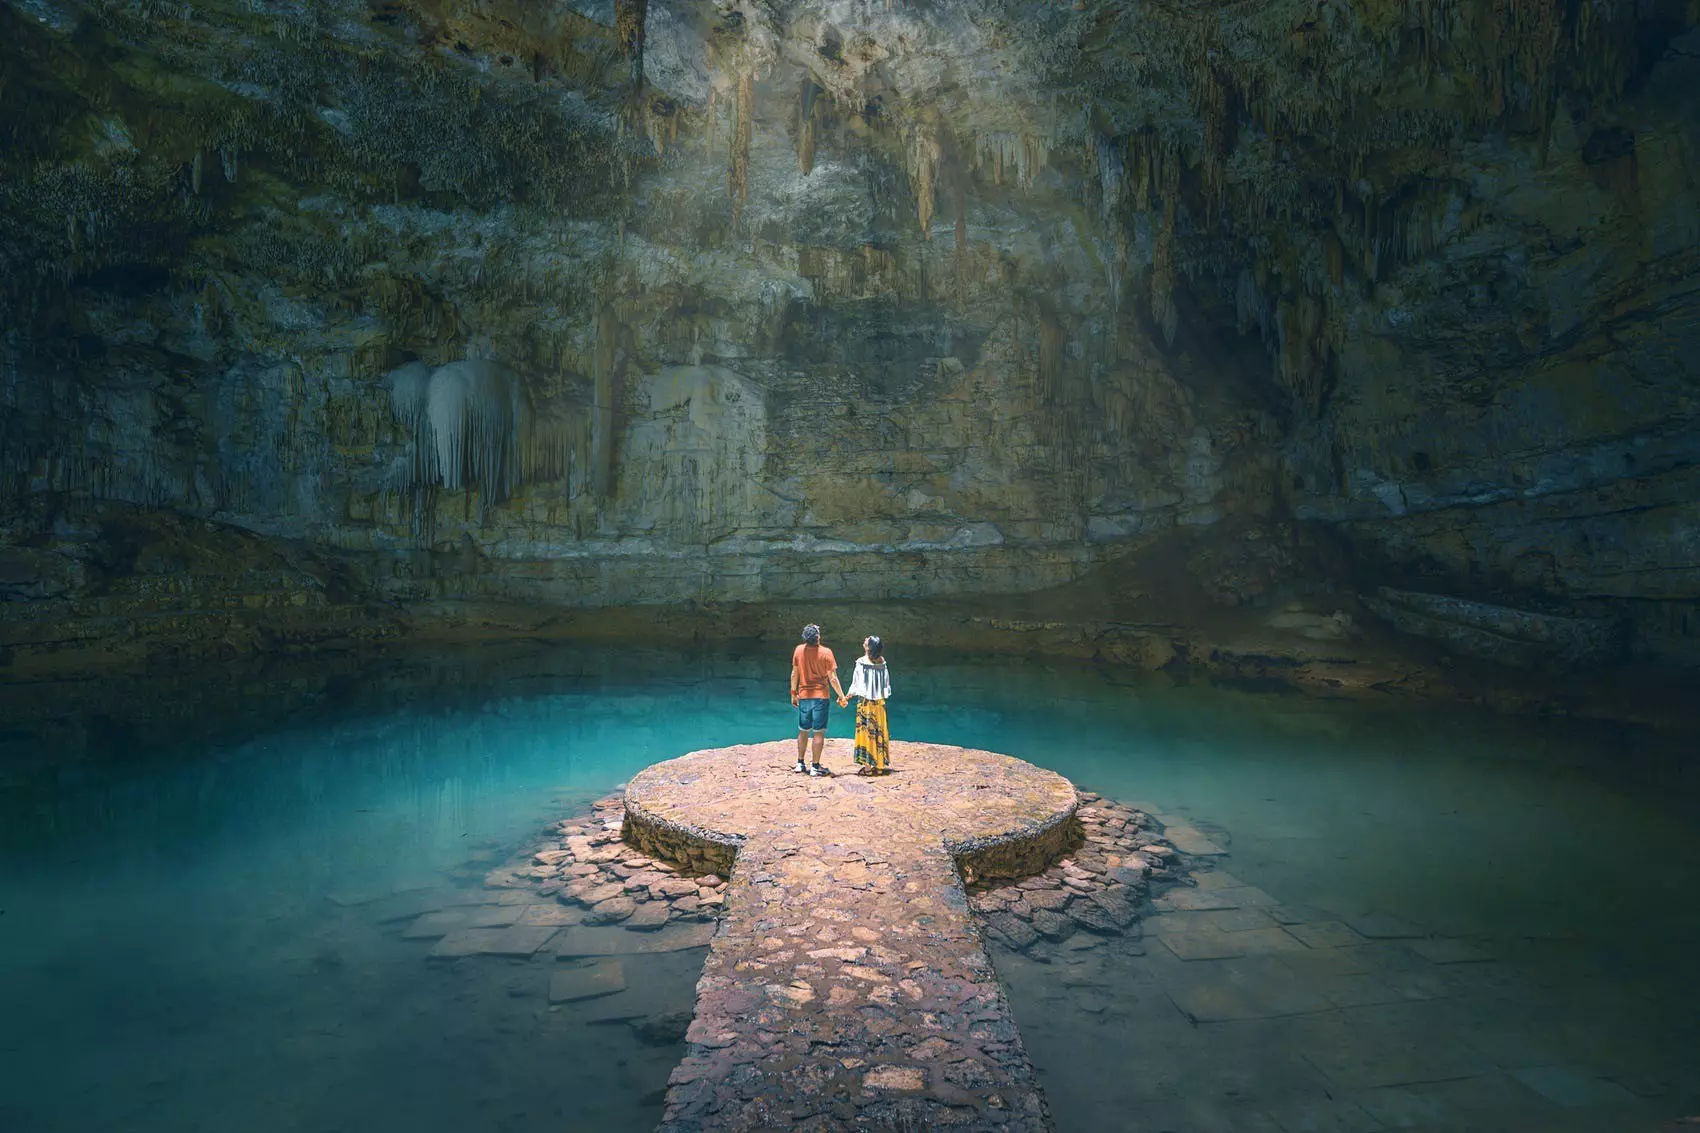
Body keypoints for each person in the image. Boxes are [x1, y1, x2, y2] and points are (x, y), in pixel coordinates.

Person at [789, 623, 846, 777]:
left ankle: (800, 763)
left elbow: (794, 674)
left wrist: (793, 693)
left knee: (803, 730)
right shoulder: (826, 652)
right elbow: (832, 678)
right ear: (818, 637)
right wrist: (841, 696)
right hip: (821, 697)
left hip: (804, 696)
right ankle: (815, 766)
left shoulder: (798, 650)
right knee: (818, 732)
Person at [846, 635, 892, 775]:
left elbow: (856, 684)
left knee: (867, 734)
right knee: (878, 732)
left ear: (868, 647)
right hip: (879, 704)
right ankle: (879, 766)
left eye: (868, 640)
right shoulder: (882, 662)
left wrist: (847, 696)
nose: (865, 639)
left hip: (866, 704)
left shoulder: (861, 662)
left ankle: (867, 768)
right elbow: (886, 685)